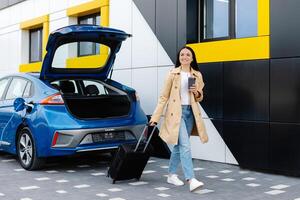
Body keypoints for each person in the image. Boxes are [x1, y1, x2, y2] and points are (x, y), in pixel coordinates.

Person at [149, 46, 208, 192]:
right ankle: (191, 179)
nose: (185, 56)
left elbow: (200, 98)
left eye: (188, 54)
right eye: (182, 54)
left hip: (190, 113)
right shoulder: (173, 73)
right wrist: (155, 117)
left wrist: (197, 92)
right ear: (179, 58)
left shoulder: (196, 75)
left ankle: (171, 175)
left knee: (178, 145)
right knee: (186, 146)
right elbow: (164, 97)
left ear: (192, 58)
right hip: (176, 113)